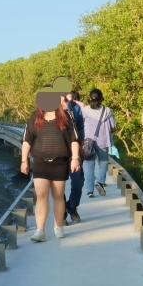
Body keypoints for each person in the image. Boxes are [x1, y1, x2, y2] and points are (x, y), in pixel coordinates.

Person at [21, 85, 81, 242]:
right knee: (41, 195)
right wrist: (24, 160)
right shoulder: (35, 117)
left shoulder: (66, 117)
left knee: (58, 195)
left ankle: (57, 226)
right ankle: (40, 230)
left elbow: (74, 139)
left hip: (59, 163)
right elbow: (27, 140)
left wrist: (75, 157)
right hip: (41, 163)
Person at [81, 88, 116, 198]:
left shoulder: (84, 111)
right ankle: (100, 182)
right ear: (101, 99)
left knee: (88, 166)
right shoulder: (107, 111)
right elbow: (113, 127)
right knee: (103, 162)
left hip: (88, 142)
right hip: (103, 141)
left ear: (90, 98)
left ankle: (90, 191)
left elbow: (79, 126)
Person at [64, 90, 85, 223]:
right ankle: (61, 213)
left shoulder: (75, 108)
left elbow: (81, 127)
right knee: (58, 185)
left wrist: (82, 144)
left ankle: (72, 206)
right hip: (57, 151)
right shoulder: (48, 108)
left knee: (78, 181)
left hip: (74, 151)